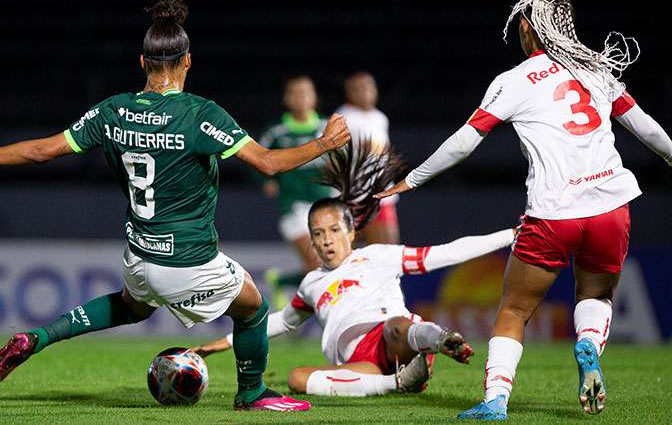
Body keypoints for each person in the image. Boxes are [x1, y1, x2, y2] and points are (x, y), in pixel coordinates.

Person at [0, 0, 351, 412]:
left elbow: (39, 152)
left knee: (135, 305)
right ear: (187, 61)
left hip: (139, 254)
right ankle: (252, 392)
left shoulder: (112, 111)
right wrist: (324, 143)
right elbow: (270, 163)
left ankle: (39, 337)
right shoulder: (200, 114)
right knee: (253, 307)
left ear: (142, 62)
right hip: (187, 258)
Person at [376, 0, 672, 420]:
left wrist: (412, 180)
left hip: (553, 214)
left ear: (532, 27)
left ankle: (496, 400)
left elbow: (464, 141)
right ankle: (588, 345)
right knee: (596, 295)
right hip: (611, 207)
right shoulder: (595, 69)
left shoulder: (515, 80)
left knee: (514, 309)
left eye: (521, 24)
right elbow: (644, 126)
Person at [192, 140, 516, 397]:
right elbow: (281, 323)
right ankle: (399, 383)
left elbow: (447, 253)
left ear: (351, 233)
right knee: (297, 379)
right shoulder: (311, 284)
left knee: (396, 325)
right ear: (312, 241)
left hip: (395, 341)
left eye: (334, 230)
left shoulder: (379, 256)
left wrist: (509, 235)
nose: (326, 240)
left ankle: (441, 339)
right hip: (358, 365)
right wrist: (217, 344)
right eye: (317, 234)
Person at [259, 76, 335, 308]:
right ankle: (298, 314)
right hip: (294, 206)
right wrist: (266, 179)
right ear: (286, 99)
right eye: (295, 93)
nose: (301, 98)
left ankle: (282, 281)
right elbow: (255, 155)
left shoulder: (327, 127)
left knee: (330, 266)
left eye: (306, 92)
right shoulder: (277, 131)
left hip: (327, 205)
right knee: (318, 264)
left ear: (314, 98)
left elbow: (346, 157)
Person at [336, 72, 400, 245]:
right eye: (358, 88)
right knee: (345, 260)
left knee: (388, 254)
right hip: (353, 198)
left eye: (368, 86)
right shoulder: (343, 118)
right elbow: (333, 158)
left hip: (381, 196)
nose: (364, 91)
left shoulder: (380, 118)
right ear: (349, 93)